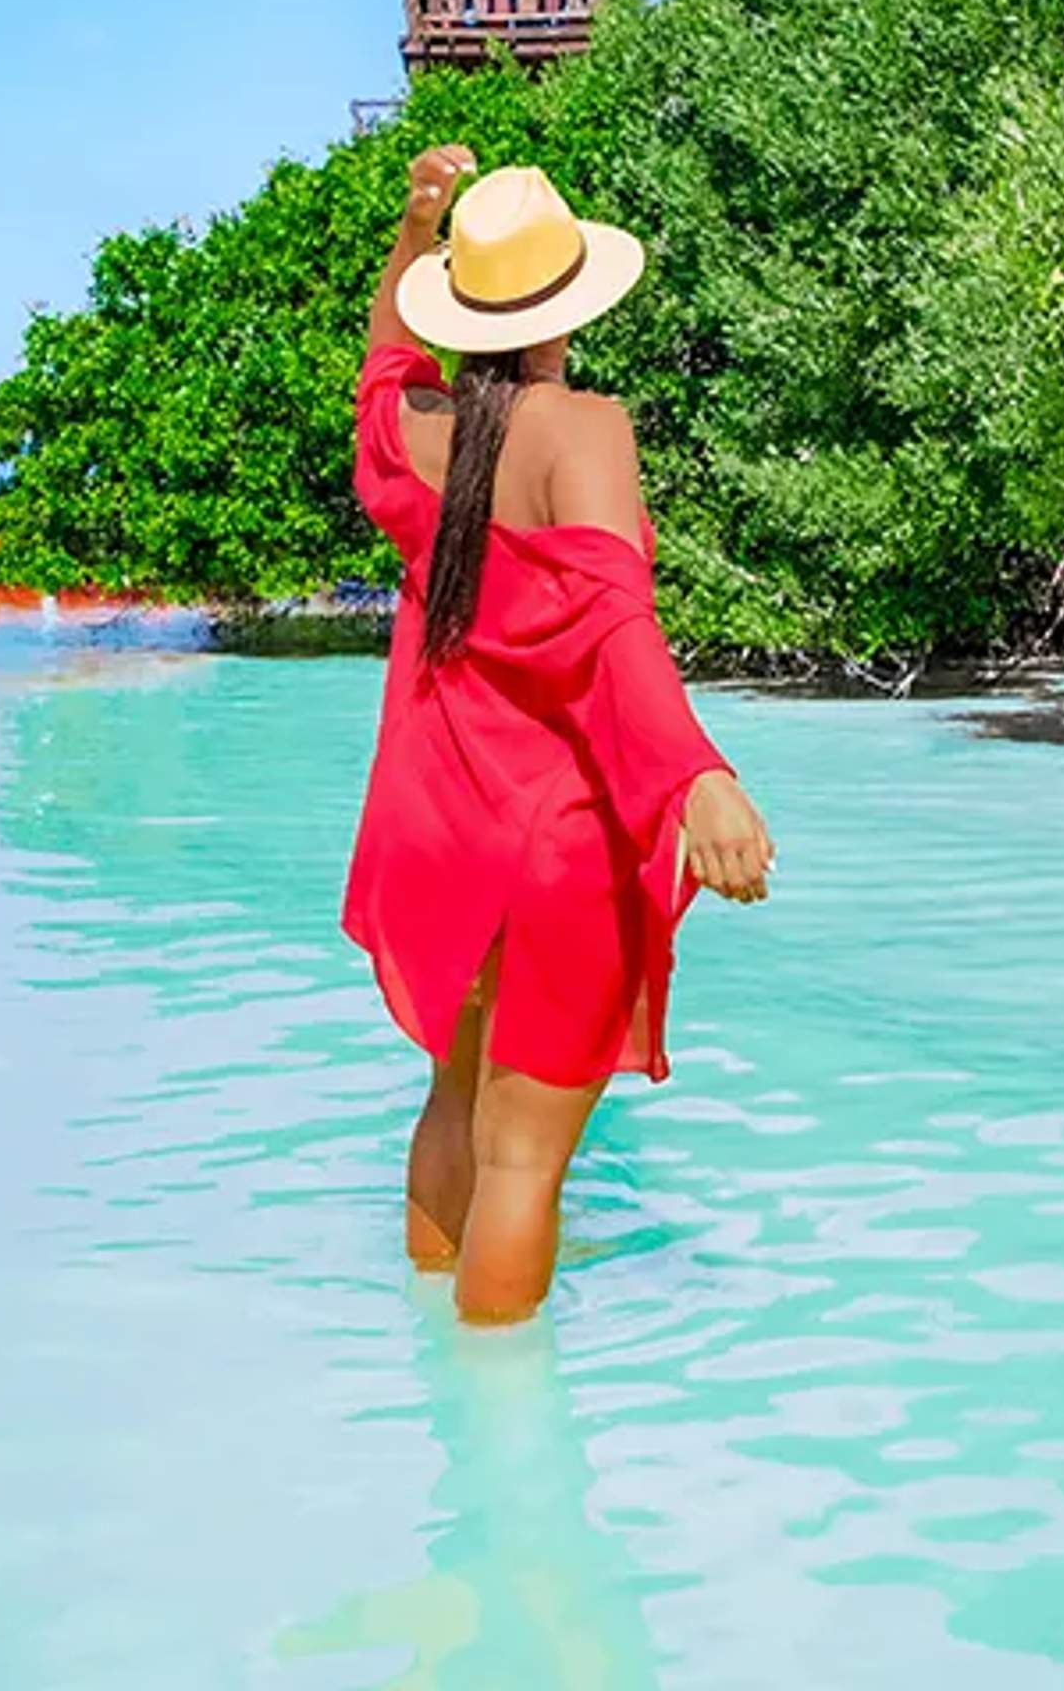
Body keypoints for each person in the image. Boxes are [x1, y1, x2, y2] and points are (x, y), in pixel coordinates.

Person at [345, 144, 776, 1324]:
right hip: (550, 847)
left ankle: (430, 1391)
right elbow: (614, 625)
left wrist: (414, 222)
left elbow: (384, 366)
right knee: (524, 1162)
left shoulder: (416, 432)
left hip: (435, 831)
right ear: (570, 303)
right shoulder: (581, 428)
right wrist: (697, 775)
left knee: (452, 1102)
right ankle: (504, 1447)